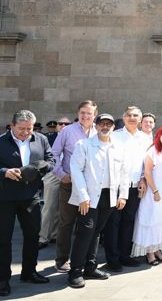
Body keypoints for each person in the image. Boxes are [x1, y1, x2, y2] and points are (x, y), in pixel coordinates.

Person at [67, 114, 128, 289]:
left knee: (96, 232)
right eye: (102, 123)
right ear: (96, 125)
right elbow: (76, 170)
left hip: (109, 196)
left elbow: (124, 172)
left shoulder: (118, 147)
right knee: (85, 232)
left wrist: (122, 195)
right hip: (89, 197)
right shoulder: (84, 145)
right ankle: (75, 271)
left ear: (113, 127)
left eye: (109, 124)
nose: (105, 126)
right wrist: (83, 196)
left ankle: (90, 267)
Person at [0, 110, 54, 296]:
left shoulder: (41, 139)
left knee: (32, 236)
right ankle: (2, 279)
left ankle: (29, 272)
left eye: (29, 129)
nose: (25, 132)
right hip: (4, 198)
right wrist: (4, 172)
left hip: (30, 196)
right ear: (12, 125)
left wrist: (39, 169)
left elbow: (51, 160)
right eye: (21, 129)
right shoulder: (1, 141)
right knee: (3, 240)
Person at [52, 100, 97, 273]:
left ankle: (83, 259)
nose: (85, 116)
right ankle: (62, 259)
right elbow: (54, 153)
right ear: (78, 114)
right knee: (66, 223)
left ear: (95, 114)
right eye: (82, 112)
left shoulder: (98, 132)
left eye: (89, 113)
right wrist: (61, 175)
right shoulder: (67, 131)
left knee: (87, 224)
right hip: (70, 184)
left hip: (91, 187)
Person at [104, 106, 150, 271]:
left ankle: (125, 255)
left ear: (140, 119)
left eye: (135, 115)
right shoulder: (114, 136)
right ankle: (112, 258)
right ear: (123, 117)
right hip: (116, 187)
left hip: (135, 187)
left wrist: (144, 180)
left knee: (129, 221)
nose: (132, 118)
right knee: (113, 222)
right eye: (129, 115)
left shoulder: (145, 139)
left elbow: (147, 163)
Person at [131, 125, 162, 266]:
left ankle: (157, 248)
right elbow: (147, 173)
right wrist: (155, 191)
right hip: (154, 193)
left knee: (161, 221)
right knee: (151, 220)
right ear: (158, 135)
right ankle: (150, 253)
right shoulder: (153, 151)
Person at [39, 116, 71, 249]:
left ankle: (54, 234)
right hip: (53, 174)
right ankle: (43, 236)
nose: (63, 125)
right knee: (49, 206)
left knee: (61, 208)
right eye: (60, 123)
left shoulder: (73, 137)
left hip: (68, 175)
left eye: (66, 123)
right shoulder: (48, 138)